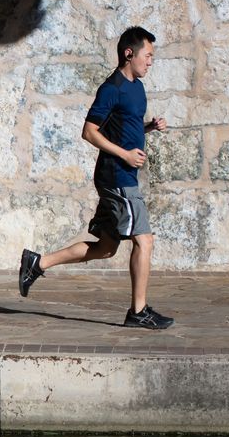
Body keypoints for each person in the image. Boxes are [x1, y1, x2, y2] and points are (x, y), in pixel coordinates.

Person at [18, 26, 174, 329]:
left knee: (105, 248)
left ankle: (38, 263)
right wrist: (126, 155)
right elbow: (89, 132)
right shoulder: (111, 87)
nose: (151, 62)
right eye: (148, 55)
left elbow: (123, 129)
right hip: (117, 177)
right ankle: (138, 312)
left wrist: (148, 128)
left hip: (123, 174)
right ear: (129, 53)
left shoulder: (137, 88)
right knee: (145, 240)